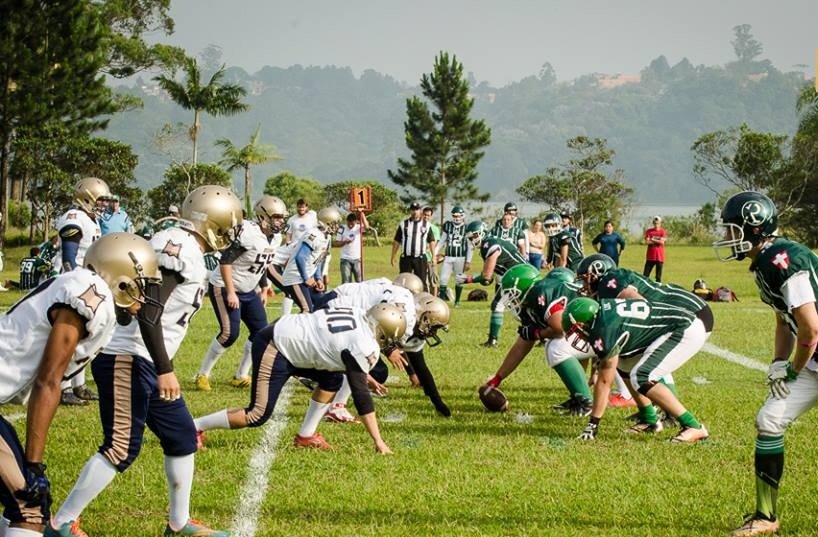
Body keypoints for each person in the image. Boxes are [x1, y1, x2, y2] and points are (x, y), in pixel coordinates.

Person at [46, 185, 241, 537]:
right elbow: (148, 312)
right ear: (214, 220)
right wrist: (165, 370)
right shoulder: (178, 247)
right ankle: (60, 524)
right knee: (121, 447)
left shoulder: (184, 246)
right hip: (130, 358)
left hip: (143, 359)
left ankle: (178, 525)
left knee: (182, 436)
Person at [0, 233, 157, 537]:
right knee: (29, 507)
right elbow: (48, 381)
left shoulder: (86, 286)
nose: (144, 295)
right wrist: (34, 466)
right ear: (122, 280)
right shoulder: (91, 298)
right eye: (141, 284)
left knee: (26, 506)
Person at [712, 192, 818, 536]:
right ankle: (766, 516)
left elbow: (810, 327)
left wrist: (792, 369)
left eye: (732, 230)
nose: (727, 238)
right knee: (770, 419)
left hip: (812, 355)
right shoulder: (765, 261)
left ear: (753, 226)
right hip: (814, 360)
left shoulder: (780, 260)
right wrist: (777, 361)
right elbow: (782, 320)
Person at [193, 304, 406, 454]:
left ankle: (306, 436)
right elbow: (361, 397)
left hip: (291, 336)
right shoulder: (364, 344)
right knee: (257, 414)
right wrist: (378, 440)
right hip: (277, 345)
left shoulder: (359, 313)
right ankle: (194, 427)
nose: (390, 343)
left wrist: (363, 375)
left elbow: (339, 347)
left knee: (331, 380)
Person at [564, 296, 711, 444]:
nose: (579, 335)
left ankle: (693, 426)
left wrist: (593, 424)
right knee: (625, 364)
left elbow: (604, 381)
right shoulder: (603, 310)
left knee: (641, 376)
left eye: (577, 330)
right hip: (676, 324)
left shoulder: (605, 329)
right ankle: (650, 420)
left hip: (684, 328)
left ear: (585, 322)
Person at [194, 196, 286, 392]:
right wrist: (231, 293)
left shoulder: (275, 238)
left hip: (248, 289)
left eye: (281, 217)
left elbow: (262, 263)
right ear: (263, 216)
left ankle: (241, 375)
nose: (280, 221)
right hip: (224, 286)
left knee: (261, 333)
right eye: (276, 217)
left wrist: (263, 287)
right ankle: (202, 374)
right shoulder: (249, 233)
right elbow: (225, 262)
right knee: (229, 334)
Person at [481, 265, 594, 416]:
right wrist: (498, 378)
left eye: (513, 294)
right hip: (590, 333)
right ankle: (578, 397)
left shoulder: (541, 292)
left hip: (603, 333)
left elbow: (559, 328)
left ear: (525, 288)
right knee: (556, 346)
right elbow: (522, 345)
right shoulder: (530, 305)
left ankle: (586, 402)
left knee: (556, 347)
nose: (511, 300)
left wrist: (537, 333)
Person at [55, 177, 110, 406]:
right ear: (86, 198)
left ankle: (79, 384)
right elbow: (69, 257)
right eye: (100, 200)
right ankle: (63, 386)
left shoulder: (91, 220)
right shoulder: (74, 217)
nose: (104, 205)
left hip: (84, 282)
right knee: (70, 337)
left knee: (84, 335)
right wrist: (73, 284)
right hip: (70, 283)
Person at [456, 220, 527, 348]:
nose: (472, 240)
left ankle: (493, 341)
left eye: (474, 236)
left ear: (481, 233)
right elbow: (489, 277)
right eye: (471, 237)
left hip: (519, 275)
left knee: (501, 305)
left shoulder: (489, 244)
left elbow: (486, 275)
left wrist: (468, 279)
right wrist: (485, 279)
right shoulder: (489, 242)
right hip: (517, 274)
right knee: (518, 307)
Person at [280, 207, 341, 313]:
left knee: (323, 307)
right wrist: (306, 278)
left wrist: (318, 278)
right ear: (327, 223)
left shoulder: (326, 237)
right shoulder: (315, 234)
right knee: (307, 310)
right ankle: (283, 328)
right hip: (296, 278)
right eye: (334, 223)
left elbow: (318, 259)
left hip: (306, 277)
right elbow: (301, 257)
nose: (337, 226)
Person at [391, 202, 435, 291]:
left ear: (420, 211)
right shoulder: (403, 224)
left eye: (417, 210)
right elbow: (397, 241)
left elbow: (431, 241)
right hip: (406, 257)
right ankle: (402, 301)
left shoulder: (426, 225)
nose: (415, 212)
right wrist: (393, 256)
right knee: (403, 281)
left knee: (422, 281)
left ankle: (423, 301)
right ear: (410, 211)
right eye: (413, 210)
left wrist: (433, 256)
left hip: (420, 257)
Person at [434, 206, 470, 306]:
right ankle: (441, 302)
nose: (457, 218)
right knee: (443, 279)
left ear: (463, 216)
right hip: (448, 257)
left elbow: (470, 246)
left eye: (459, 216)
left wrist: (468, 261)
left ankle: (457, 301)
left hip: (461, 257)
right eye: (454, 216)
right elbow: (442, 241)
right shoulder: (448, 225)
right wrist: (435, 253)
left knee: (459, 279)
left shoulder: (467, 228)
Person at [336, 211, 369, 284]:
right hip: (345, 259)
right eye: (349, 223)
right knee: (346, 282)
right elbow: (337, 243)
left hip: (357, 259)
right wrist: (345, 242)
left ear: (356, 222)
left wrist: (362, 214)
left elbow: (367, 227)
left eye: (352, 224)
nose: (350, 225)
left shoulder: (358, 227)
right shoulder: (342, 228)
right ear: (346, 221)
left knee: (360, 281)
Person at [422, 207, 441, 295]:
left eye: (428, 215)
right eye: (424, 215)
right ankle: (425, 299)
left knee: (433, 281)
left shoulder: (434, 229)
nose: (426, 217)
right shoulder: (417, 227)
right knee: (422, 281)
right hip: (420, 259)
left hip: (430, 258)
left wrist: (425, 250)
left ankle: (434, 300)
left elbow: (434, 244)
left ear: (431, 217)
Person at [644, 215, 666, 282]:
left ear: (660, 223)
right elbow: (647, 242)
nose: (656, 224)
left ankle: (658, 288)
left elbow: (662, 242)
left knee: (658, 277)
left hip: (659, 257)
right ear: (653, 223)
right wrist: (658, 240)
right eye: (655, 223)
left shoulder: (662, 231)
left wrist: (652, 239)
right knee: (645, 275)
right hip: (650, 257)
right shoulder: (649, 231)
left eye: (658, 223)